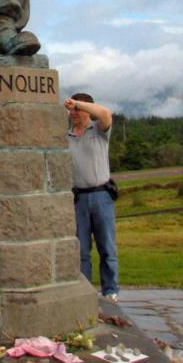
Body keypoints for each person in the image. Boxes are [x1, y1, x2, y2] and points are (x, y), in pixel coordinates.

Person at [65, 93, 119, 301]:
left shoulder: (98, 130)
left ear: (87, 109)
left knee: (107, 247)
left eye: (77, 110)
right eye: (71, 110)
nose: (73, 113)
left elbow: (105, 113)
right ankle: (86, 290)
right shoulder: (66, 135)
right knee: (82, 250)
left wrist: (79, 103)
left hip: (100, 195)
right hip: (78, 197)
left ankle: (110, 291)